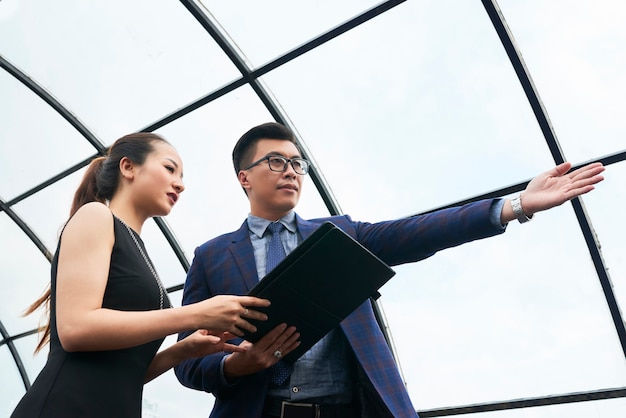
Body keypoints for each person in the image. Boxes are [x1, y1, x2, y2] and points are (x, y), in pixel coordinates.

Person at [174, 122, 605, 418]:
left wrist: (514, 206)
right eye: (276, 162)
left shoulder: (340, 233)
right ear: (244, 178)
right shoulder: (211, 256)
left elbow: (420, 231)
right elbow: (188, 362)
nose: (292, 172)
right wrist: (235, 368)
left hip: (352, 409)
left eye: (298, 163)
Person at [10, 132, 270, 418]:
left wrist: (183, 350)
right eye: (170, 169)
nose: (180, 185)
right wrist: (197, 314)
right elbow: (75, 329)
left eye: (182, 176)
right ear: (128, 167)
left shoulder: (139, 250)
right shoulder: (96, 216)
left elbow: (124, 372)